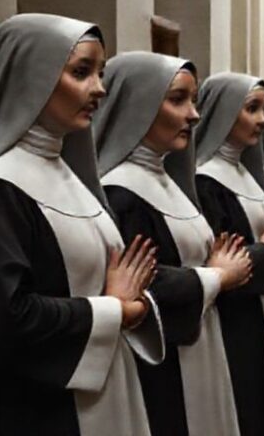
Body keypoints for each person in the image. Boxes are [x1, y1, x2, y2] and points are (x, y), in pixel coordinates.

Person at [0, 14, 162, 435]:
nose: (100, 89)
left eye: (101, 73)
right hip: (26, 410)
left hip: (94, 396)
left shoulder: (68, 175)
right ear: (28, 77)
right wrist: (114, 310)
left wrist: (129, 303)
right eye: (81, 72)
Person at [94, 51, 251, 435]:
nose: (194, 115)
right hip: (163, 360)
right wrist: (216, 278)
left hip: (200, 344)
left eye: (193, 100)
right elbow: (142, 282)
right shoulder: (122, 192)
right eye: (178, 99)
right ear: (139, 103)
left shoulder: (166, 180)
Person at [195, 73, 264, 436]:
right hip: (239, 316)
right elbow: (226, 258)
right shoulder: (206, 180)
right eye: (252, 109)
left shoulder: (244, 173)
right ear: (224, 112)